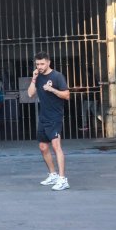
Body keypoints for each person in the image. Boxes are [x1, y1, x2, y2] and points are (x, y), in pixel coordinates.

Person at [28, 51, 71, 191]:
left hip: (55, 117)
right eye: (37, 64)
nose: (39, 66)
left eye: (42, 64)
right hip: (43, 116)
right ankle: (53, 174)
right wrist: (34, 78)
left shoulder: (57, 76)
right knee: (42, 147)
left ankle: (63, 179)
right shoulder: (38, 77)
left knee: (56, 146)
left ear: (48, 62)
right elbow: (30, 94)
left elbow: (66, 95)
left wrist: (52, 89)